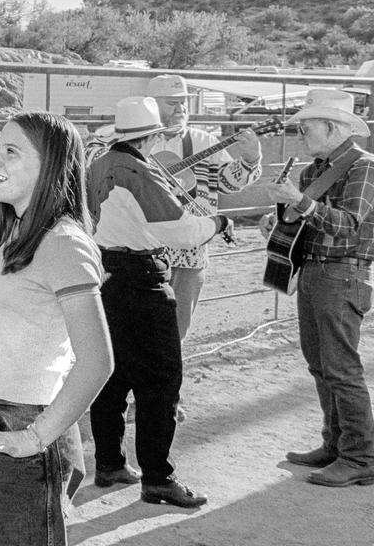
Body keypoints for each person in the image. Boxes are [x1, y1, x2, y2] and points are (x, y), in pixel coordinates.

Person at [0, 111, 114, 546]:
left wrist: (36, 438)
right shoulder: (9, 234)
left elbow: (98, 361)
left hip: (27, 422)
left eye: (10, 151)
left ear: (50, 167)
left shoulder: (64, 243)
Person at [87, 96, 233, 508]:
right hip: (142, 278)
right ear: (151, 137)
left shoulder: (99, 166)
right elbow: (182, 231)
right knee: (161, 381)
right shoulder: (138, 172)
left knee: (111, 376)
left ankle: (109, 462)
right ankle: (158, 476)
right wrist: (219, 222)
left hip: (107, 276)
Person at [262, 87, 374, 488]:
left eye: (307, 127)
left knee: (340, 368)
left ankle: (360, 456)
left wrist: (300, 203)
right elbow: (309, 223)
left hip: (342, 273)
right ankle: (338, 445)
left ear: (331, 127)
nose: (302, 134)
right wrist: (281, 216)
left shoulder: (364, 168)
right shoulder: (317, 169)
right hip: (318, 273)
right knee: (321, 364)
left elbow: (349, 225)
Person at [146, 74, 263, 345]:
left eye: (184, 103)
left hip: (189, 252)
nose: (181, 109)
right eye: (172, 103)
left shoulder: (204, 141)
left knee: (176, 329)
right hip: (144, 249)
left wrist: (250, 159)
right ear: (152, 105)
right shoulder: (137, 140)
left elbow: (229, 182)